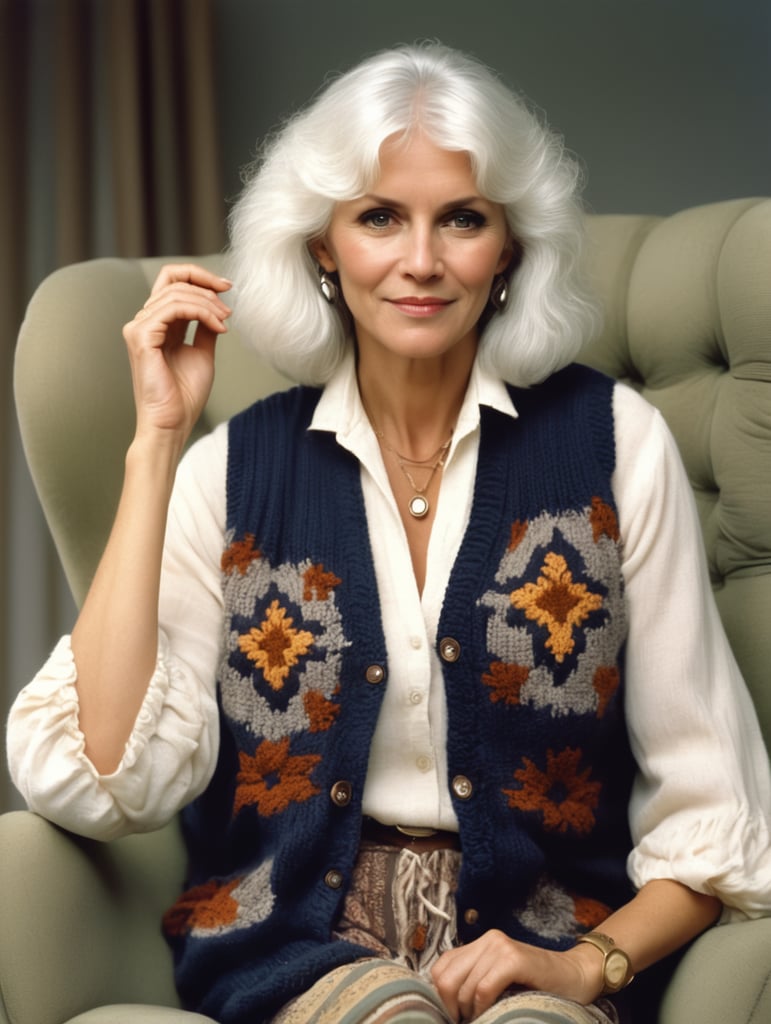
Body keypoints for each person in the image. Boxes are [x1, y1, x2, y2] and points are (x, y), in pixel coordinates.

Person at [7, 42, 771, 1024]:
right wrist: (156, 441)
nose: (421, 260)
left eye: (462, 218)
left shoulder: (618, 444)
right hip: (300, 952)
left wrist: (592, 965)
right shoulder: (226, 472)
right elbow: (105, 775)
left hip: (546, 942)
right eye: (379, 218)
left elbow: (713, 807)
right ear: (323, 246)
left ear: (510, 246)